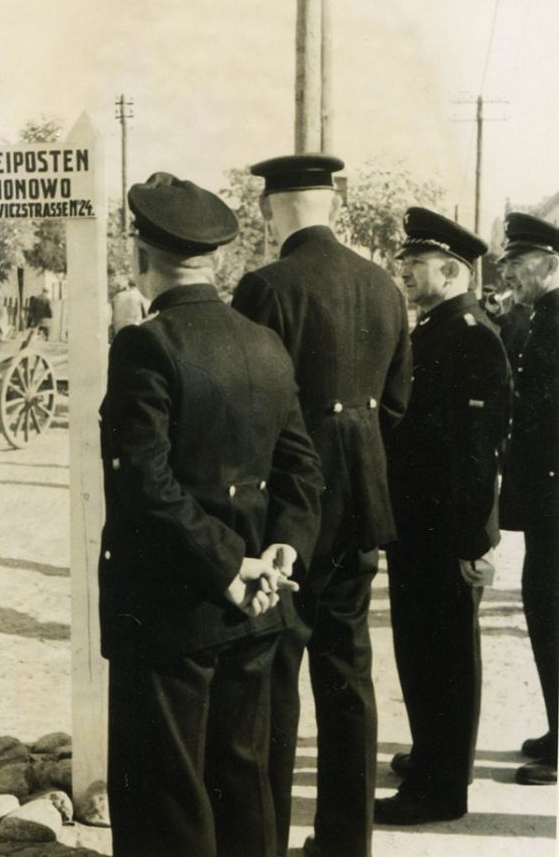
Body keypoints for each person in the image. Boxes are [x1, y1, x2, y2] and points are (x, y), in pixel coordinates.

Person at [99, 172, 324, 857]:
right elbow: (302, 468)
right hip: (257, 607)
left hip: (172, 611)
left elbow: (145, 482)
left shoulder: (146, 344)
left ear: (139, 255)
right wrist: (282, 548)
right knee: (243, 782)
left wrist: (227, 566)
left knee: (167, 798)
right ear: (219, 259)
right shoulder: (263, 343)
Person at [232, 154, 412, 857]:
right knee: (347, 673)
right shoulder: (384, 287)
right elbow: (395, 404)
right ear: (331, 205)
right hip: (361, 502)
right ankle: (345, 842)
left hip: (288, 513)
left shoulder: (265, 287)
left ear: (271, 209)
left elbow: (250, 411)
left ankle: (267, 838)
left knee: (275, 676)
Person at [379, 207, 511, 824]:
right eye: (404, 262)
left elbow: (475, 454)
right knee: (424, 650)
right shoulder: (440, 327)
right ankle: (433, 755)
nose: (403, 271)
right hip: (422, 525)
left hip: (445, 530)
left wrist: (471, 542)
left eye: (415, 264)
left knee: (444, 656)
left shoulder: (470, 335)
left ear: (452, 270)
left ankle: (441, 788)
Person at [498, 211, 559, 786]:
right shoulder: (544, 316)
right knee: (545, 608)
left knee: (553, 609)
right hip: (547, 497)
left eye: (518, 263)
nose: (509, 272)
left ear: (550, 263)